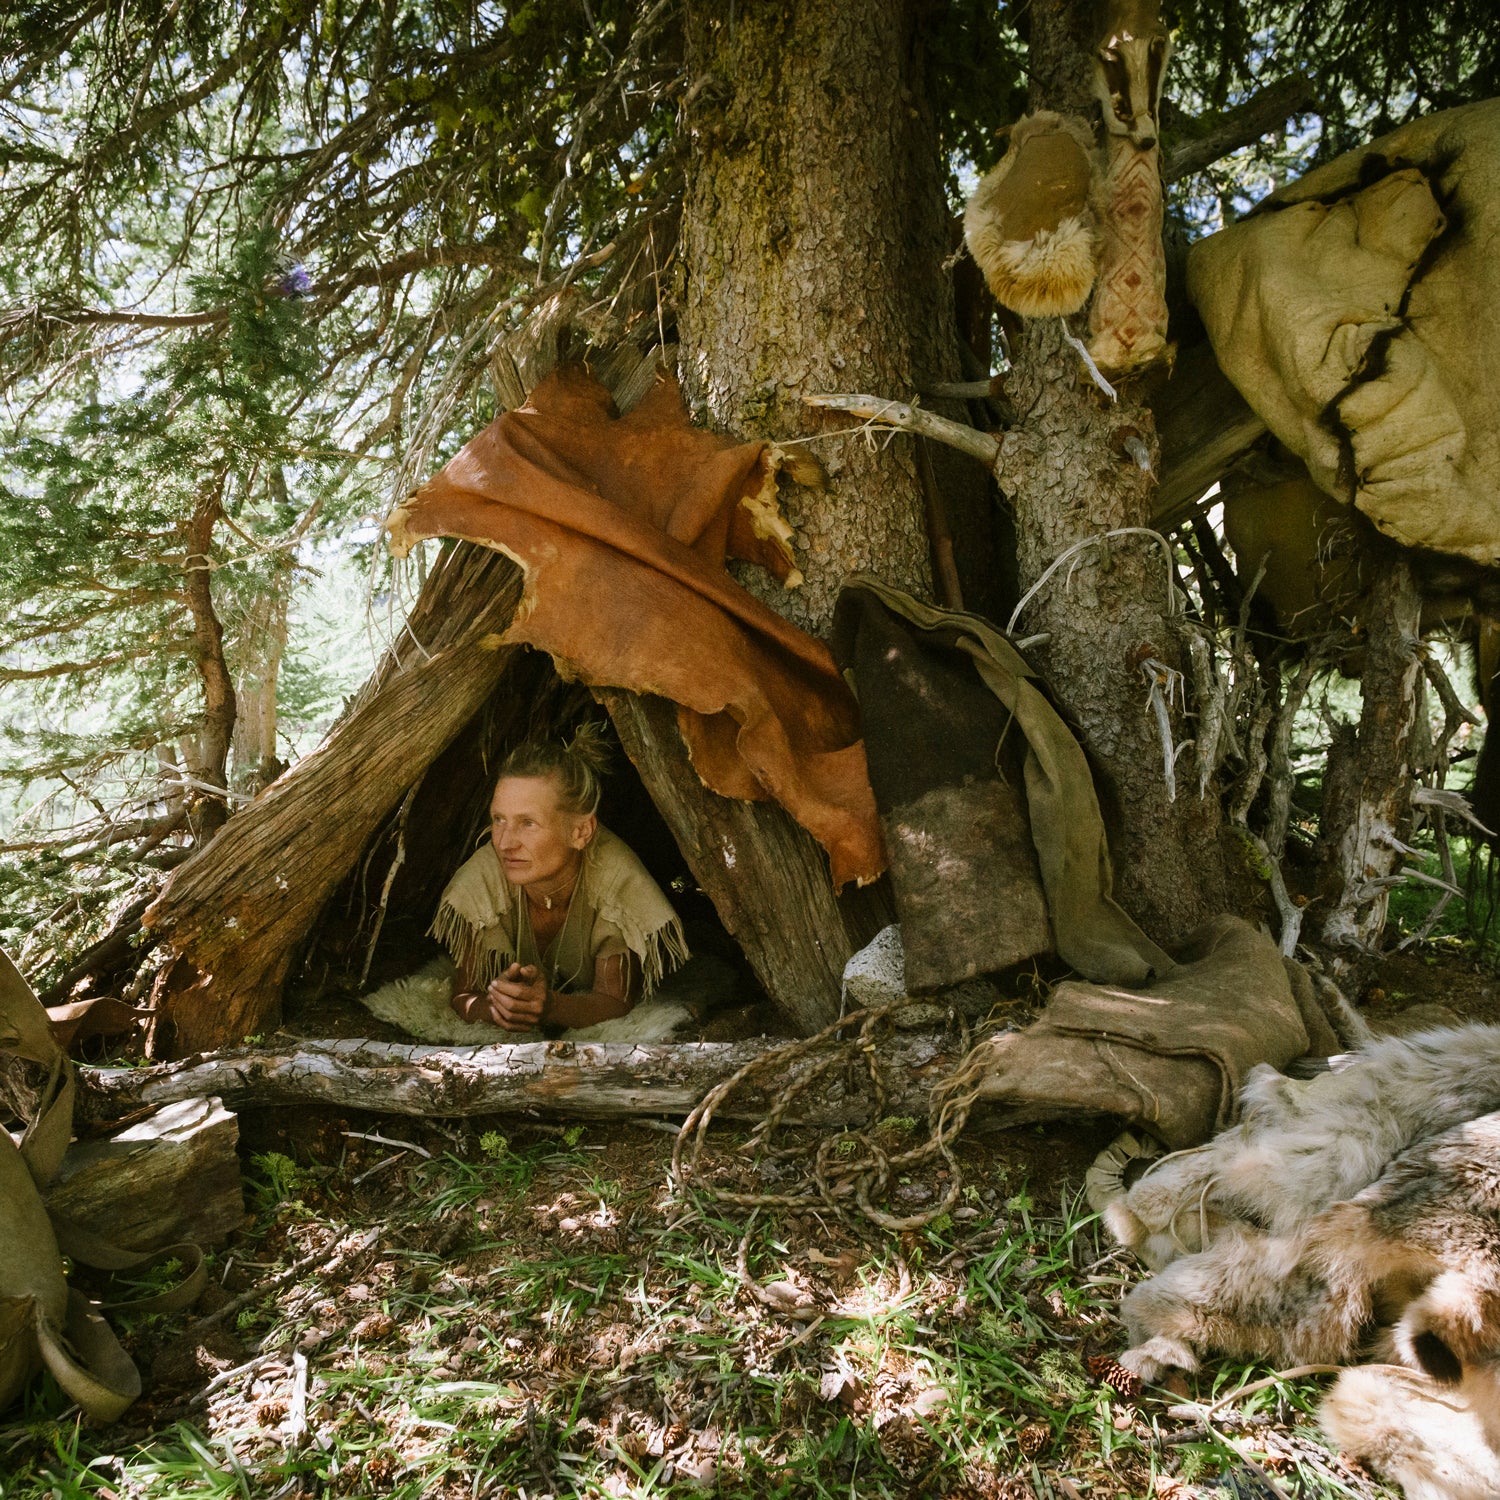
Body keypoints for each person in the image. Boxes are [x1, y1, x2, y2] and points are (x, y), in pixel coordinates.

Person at [430, 726, 688, 1033]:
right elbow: (465, 996)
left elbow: (615, 1001)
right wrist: (498, 1008)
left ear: (581, 832)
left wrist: (551, 1006)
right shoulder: (483, 880)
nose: (505, 843)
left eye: (528, 823)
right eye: (499, 819)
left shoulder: (617, 880)